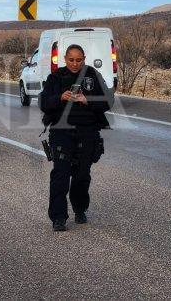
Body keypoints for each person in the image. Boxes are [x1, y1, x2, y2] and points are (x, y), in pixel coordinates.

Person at [40, 44, 114, 232]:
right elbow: (43, 103)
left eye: (79, 60)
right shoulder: (55, 77)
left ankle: (80, 208)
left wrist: (87, 100)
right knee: (60, 175)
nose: (75, 63)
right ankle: (58, 218)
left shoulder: (92, 75)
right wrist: (60, 98)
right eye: (71, 59)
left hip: (88, 132)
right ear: (65, 59)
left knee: (82, 176)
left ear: (84, 58)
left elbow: (109, 100)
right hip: (61, 133)